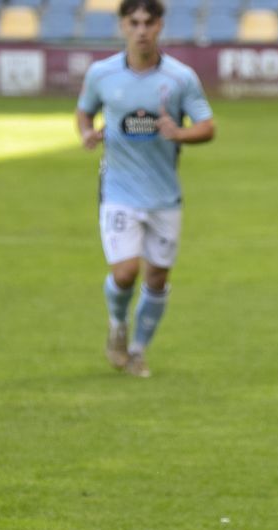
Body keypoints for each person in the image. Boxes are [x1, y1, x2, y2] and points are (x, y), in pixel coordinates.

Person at [75, 0, 215, 378]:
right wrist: (87, 132)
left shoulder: (180, 78)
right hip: (118, 189)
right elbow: (85, 110)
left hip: (164, 194)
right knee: (124, 273)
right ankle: (118, 328)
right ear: (122, 26)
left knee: (157, 278)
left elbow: (207, 126)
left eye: (148, 23)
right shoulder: (102, 73)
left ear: (159, 27)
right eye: (133, 22)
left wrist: (180, 132)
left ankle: (138, 351)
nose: (141, 30)